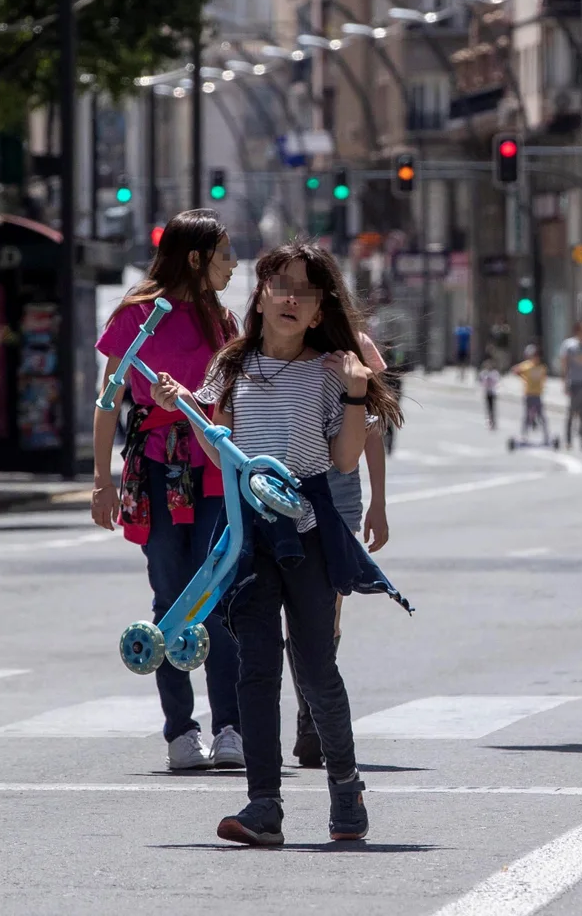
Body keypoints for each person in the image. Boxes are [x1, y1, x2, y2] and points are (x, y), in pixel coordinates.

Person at [155, 243, 407, 846]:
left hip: (309, 528)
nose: (292, 297)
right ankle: (263, 804)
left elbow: (344, 458)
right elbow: (222, 451)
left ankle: (346, 789)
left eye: (306, 290)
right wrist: (185, 408)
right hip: (246, 531)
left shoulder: (330, 371)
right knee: (256, 668)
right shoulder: (232, 366)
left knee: (317, 669)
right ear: (261, 297)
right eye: (281, 285)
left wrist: (352, 394)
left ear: (320, 311)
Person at [90, 208, 244, 772]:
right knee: (171, 598)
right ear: (197, 257)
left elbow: (235, 401)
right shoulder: (137, 315)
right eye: (224, 254)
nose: (232, 265)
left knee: (219, 596)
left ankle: (231, 727)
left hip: (213, 470)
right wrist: (100, 480)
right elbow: (109, 403)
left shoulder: (223, 322)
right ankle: (181, 732)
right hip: (155, 471)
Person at [292, 326, 390, 769]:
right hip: (282, 486)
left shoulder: (356, 344)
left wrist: (379, 503)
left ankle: (310, 718)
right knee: (285, 603)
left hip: (339, 493)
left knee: (326, 607)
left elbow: (372, 430)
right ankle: (308, 710)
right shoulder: (268, 344)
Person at [559, 320, 582, 450]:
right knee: (572, 412)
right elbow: (564, 364)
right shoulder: (569, 345)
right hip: (575, 383)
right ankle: (568, 440)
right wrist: (564, 382)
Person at [512, 343, 550, 445]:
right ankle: (524, 436)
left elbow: (544, 379)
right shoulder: (526, 366)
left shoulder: (542, 368)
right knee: (527, 416)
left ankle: (546, 436)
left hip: (538, 395)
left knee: (541, 416)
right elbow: (515, 370)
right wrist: (523, 378)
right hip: (528, 394)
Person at [479, 357, 501, 429]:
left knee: (493, 407)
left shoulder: (494, 373)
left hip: (493, 392)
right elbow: (481, 382)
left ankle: (493, 420)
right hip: (487, 392)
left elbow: (496, 381)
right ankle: (489, 421)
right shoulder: (484, 373)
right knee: (488, 407)